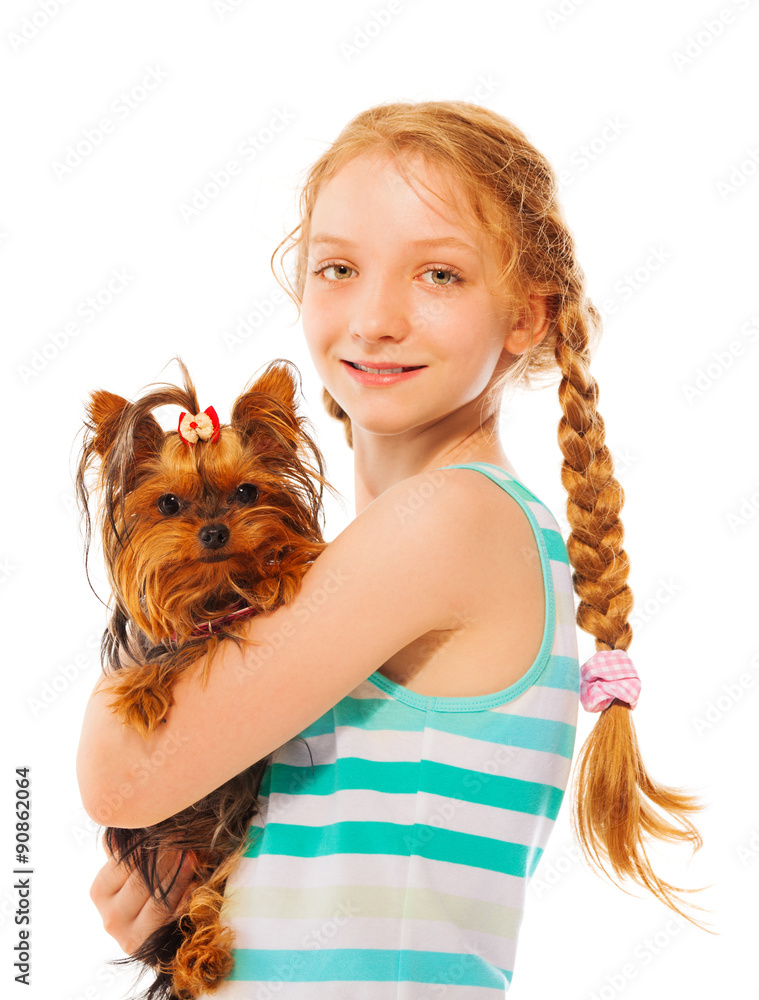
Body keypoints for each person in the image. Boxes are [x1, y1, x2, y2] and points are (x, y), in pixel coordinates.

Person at [78, 100, 708, 997]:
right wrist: (205, 884)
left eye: (438, 276)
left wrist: (154, 570)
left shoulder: (449, 520)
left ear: (528, 316)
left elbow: (120, 776)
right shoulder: (381, 554)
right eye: (337, 267)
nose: (374, 318)